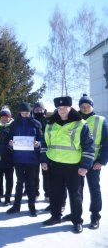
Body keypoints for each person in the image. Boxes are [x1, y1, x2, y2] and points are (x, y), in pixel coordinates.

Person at [41, 96, 95, 233]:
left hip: (74, 167)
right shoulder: (50, 124)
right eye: (59, 108)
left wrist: (85, 165)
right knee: (55, 193)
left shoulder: (81, 124)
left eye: (65, 107)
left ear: (70, 107)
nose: (62, 110)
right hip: (55, 165)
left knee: (75, 195)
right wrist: (44, 160)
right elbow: (44, 144)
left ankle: (77, 221)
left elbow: (89, 147)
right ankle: (55, 216)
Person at [61, 94, 108, 229]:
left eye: (87, 105)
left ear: (92, 106)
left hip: (94, 162)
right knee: (76, 190)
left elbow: (106, 143)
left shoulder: (100, 120)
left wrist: (102, 161)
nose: (85, 108)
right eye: (82, 106)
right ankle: (76, 214)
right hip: (76, 161)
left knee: (94, 189)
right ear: (79, 107)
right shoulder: (75, 119)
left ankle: (95, 216)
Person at [6, 103, 42, 217]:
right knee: (19, 183)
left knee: (31, 184)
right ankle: (16, 206)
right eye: (22, 113)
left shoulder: (36, 123)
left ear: (30, 112)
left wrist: (38, 144)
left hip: (32, 159)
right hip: (18, 159)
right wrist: (10, 144)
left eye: (26, 113)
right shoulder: (14, 124)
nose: (25, 115)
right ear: (19, 113)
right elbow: (10, 139)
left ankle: (32, 207)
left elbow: (42, 139)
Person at [0, 106, 14, 206]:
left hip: (9, 158)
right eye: (3, 116)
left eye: (7, 116)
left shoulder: (13, 126)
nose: (5, 118)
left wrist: (13, 145)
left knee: (9, 179)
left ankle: (7, 198)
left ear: (10, 117)